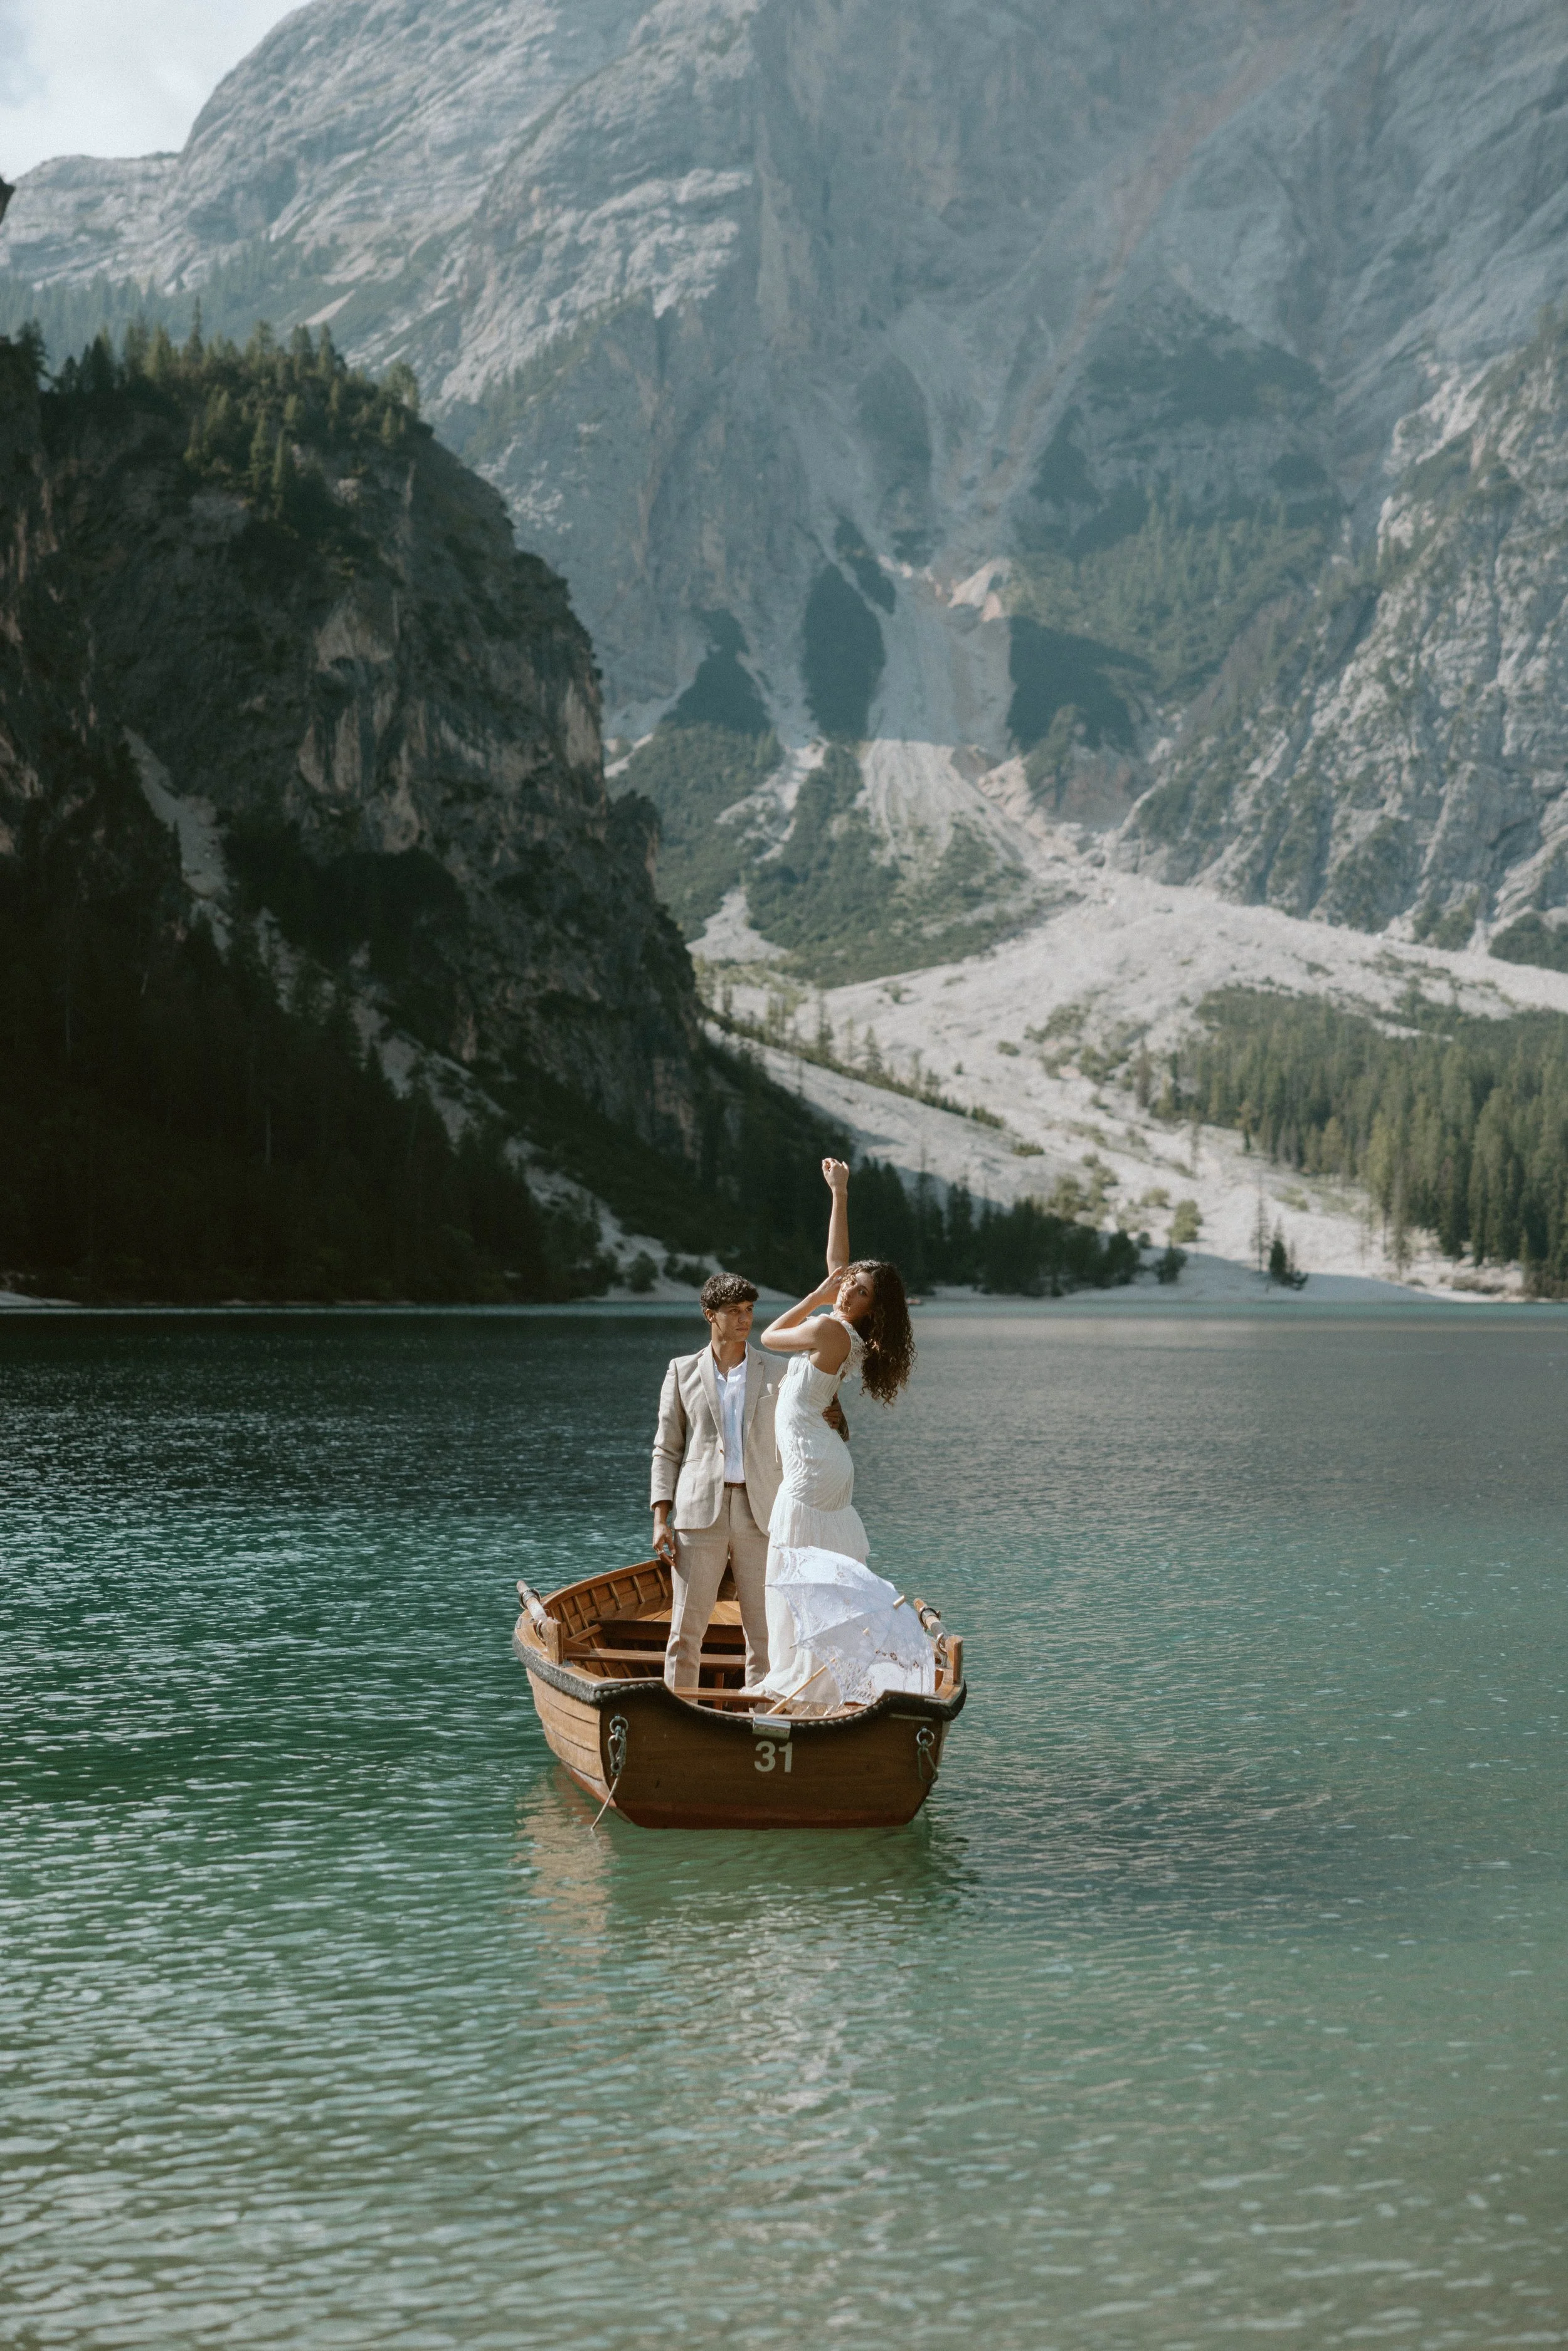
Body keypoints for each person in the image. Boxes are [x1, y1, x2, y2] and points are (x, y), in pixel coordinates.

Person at [751, 1159, 931, 1712]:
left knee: (795, 1568)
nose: (848, 1286)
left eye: (861, 1289)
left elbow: (770, 1335)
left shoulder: (830, 1327)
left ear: (870, 1307)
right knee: (814, 1571)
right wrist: (839, 1193)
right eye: (851, 1282)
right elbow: (838, 1263)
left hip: (814, 1465)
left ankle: (802, 1680)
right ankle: (813, 1675)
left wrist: (814, 1294)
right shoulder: (847, 1331)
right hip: (821, 1458)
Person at [649, 1271, 786, 1691]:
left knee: (765, 1634)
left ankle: (763, 1713)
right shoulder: (681, 1371)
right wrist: (660, 1519)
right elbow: (667, 1449)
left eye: (749, 1310)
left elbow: (803, 1433)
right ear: (711, 1315)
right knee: (685, 1631)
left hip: (761, 1513)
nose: (745, 1319)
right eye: (733, 1311)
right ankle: (680, 1711)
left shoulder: (778, 1371)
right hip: (698, 1514)